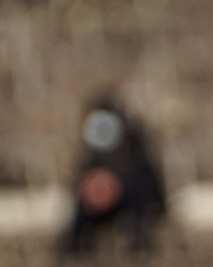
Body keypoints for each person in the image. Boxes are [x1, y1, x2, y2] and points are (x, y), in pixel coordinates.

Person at [62, 98, 168, 254]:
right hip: (100, 200)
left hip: (130, 196)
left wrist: (114, 185)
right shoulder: (93, 145)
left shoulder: (132, 142)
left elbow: (145, 175)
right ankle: (73, 246)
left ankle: (139, 240)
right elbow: (83, 173)